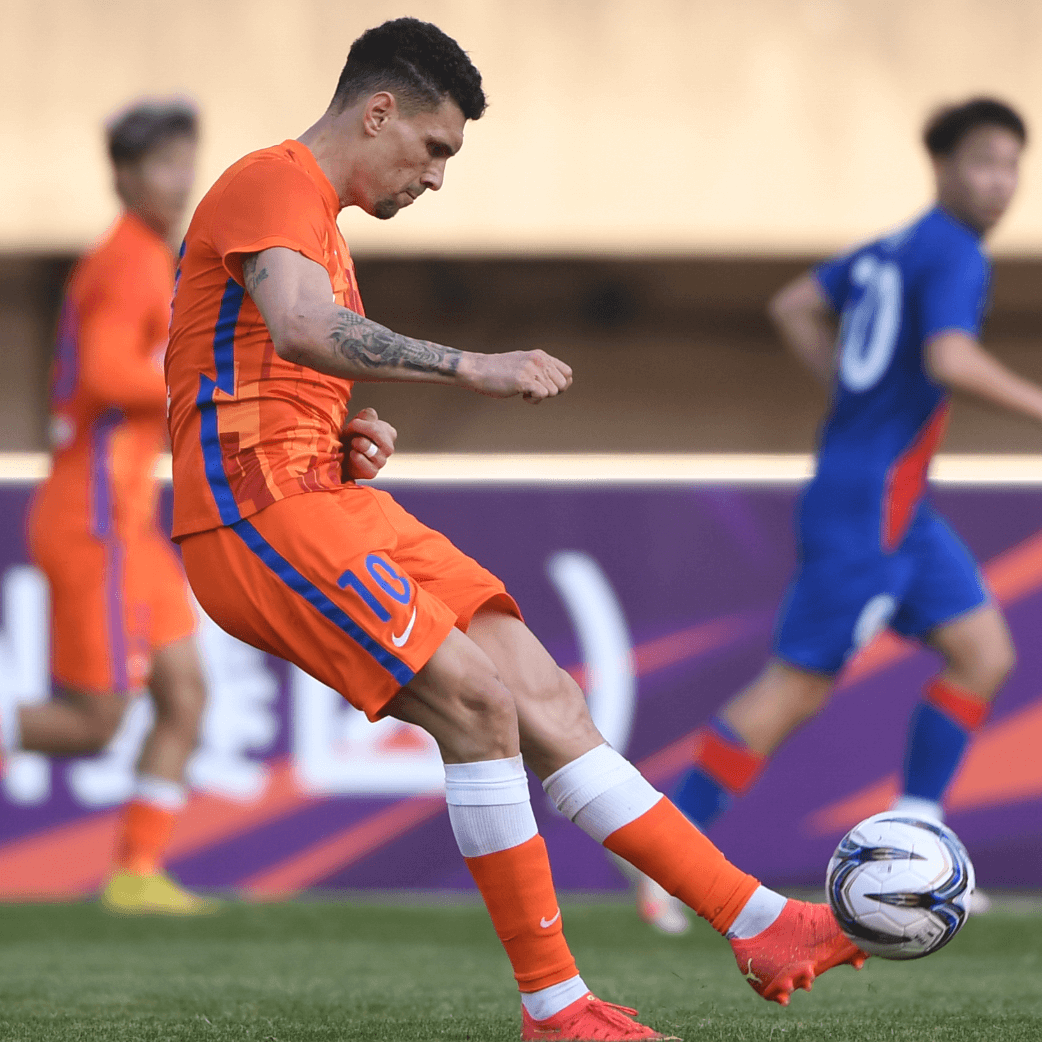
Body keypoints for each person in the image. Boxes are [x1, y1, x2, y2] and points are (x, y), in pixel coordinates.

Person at [165, 18, 864, 1039]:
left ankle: (759, 921)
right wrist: (472, 365)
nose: (436, 177)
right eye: (433, 148)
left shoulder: (313, 222)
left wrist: (345, 429)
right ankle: (555, 1007)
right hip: (257, 514)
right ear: (378, 112)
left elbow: (266, 359)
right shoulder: (271, 181)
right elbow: (304, 326)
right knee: (478, 704)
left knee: (544, 695)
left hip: (323, 493)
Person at [639, 97, 1030, 934]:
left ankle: (921, 841)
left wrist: (856, 395)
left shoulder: (896, 246)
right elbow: (949, 356)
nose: (1001, 182)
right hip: (869, 506)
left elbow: (793, 305)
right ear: (945, 167)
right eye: (985, 163)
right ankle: (665, 855)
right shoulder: (954, 251)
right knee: (798, 685)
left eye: (1012, 166)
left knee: (984, 653)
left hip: (894, 503)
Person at [0, 101, 220, 914]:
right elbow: (104, 373)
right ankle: (135, 870)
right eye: (164, 164)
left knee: (186, 693)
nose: (181, 179)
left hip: (126, 523)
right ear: (124, 176)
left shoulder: (144, 257)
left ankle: (136, 872)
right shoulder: (128, 260)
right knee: (97, 722)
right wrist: (198, 379)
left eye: (186, 162)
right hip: (94, 519)